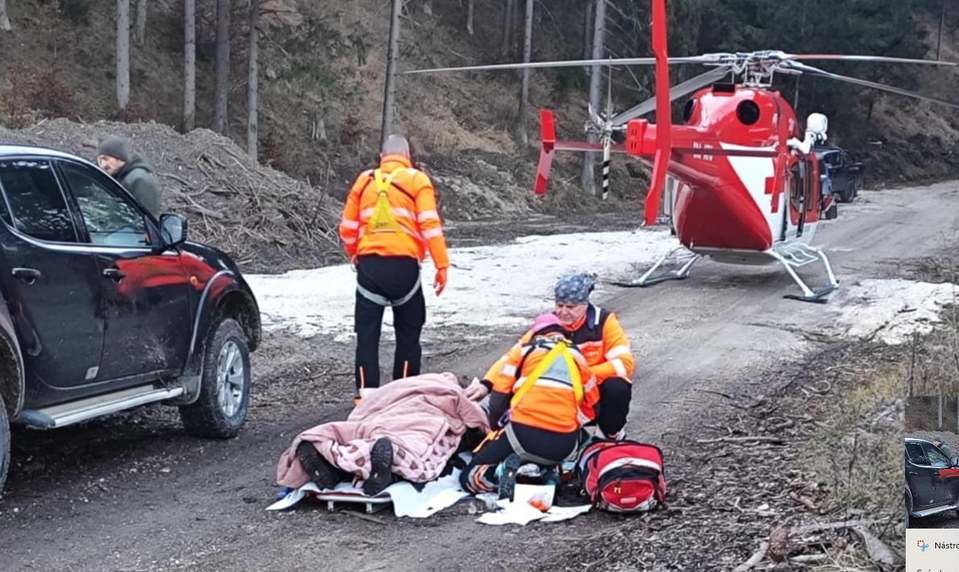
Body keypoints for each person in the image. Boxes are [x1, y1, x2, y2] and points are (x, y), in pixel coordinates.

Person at [338, 134, 450, 405]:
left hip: (370, 268)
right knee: (409, 335)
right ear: (408, 156)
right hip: (405, 270)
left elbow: (347, 228)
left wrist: (355, 256)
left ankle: (366, 397)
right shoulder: (416, 180)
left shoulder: (364, 181)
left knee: (367, 335)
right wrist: (441, 265)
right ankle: (404, 396)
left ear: (382, 157)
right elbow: (430, 226)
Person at [481, 272, 635, 440]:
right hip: (557, 390)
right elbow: (513, 358)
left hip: (592, 390)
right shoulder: (548, 325)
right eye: (559, 305)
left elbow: (624, 363)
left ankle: (610, 434)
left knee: (617, 387)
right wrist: (487, 383)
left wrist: (580, 374)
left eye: (570, 307)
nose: (563, 312)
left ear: (585, 304)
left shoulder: (604, 321)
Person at [461, 313, 599, 499]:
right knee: (560, 446)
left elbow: (498, 399)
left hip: (523, 436)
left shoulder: (524, 351)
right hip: (563, 446)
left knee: (468, 475)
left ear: (535, 334)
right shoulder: (578, 358)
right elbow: (593, 407)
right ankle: (543, 472)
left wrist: (496, 428)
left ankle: (498, 475)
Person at [96, 136, 162, 218]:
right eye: (100, 160)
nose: (103, 165)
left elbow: (146, 218)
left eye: (106, 159)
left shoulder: (138, 180)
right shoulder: (121, 177)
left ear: (119, 158)